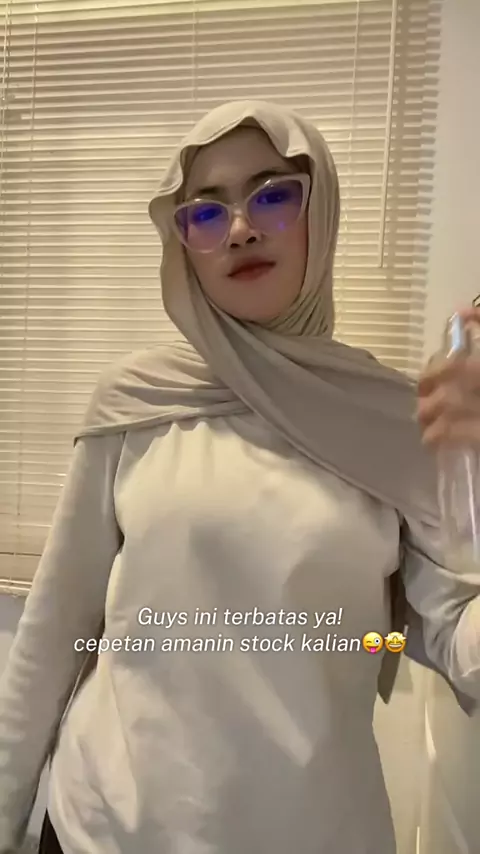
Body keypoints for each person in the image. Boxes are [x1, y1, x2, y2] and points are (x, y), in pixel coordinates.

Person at [0, 100, 479, 854]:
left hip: (312, 832)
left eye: (273, 195)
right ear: (182, 245)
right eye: (206, 211)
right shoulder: (137, 403)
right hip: (105, 828)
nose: (241, 229)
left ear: (320, 213)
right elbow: (54, 633)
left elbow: (460, 637)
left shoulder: (394, 423)